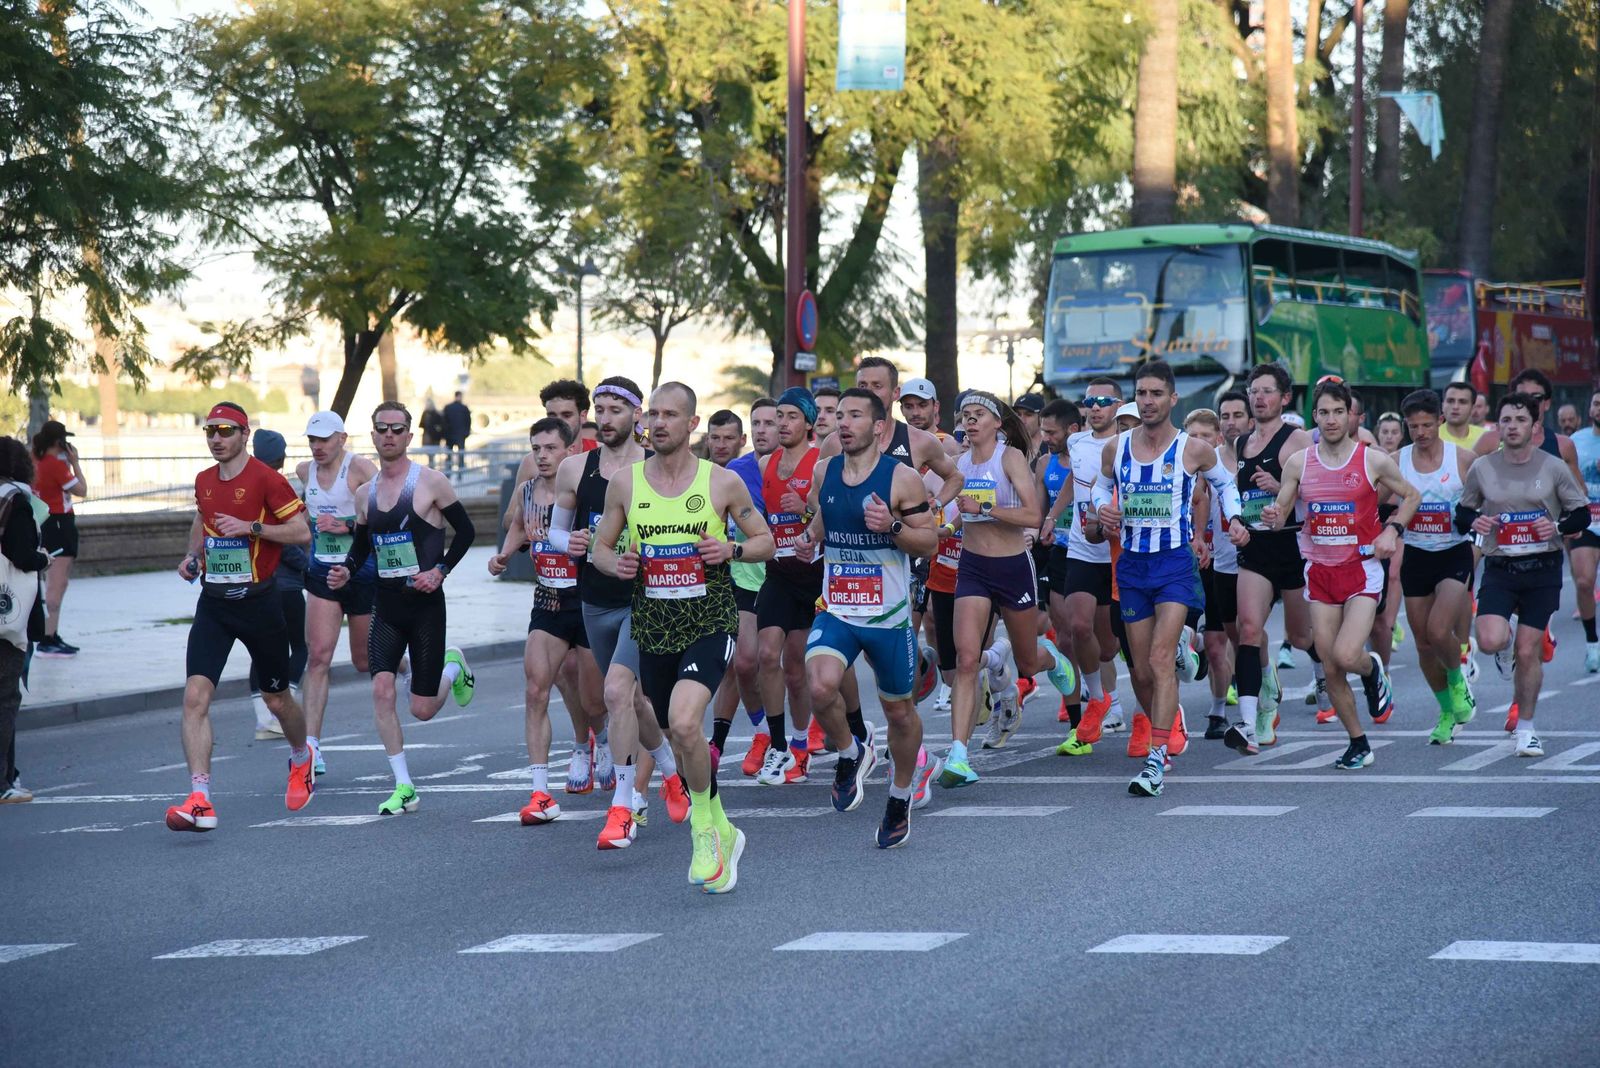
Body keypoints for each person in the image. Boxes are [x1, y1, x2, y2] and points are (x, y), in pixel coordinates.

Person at [589, 381, 775, 895]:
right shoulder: (626, 484)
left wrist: (730, 552)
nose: (659, 423)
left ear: (692, 425)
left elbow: (766, 542)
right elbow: (600, 549)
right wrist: (616, 562)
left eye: (671, 414)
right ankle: (723, 825)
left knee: (685, 720)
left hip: (709, 621)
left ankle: (702, 833)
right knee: (679, 736)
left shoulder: (721, 483)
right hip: (653, 624)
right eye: (654, 414)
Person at [491, 417, 655, 843]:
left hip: (586, 597)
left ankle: (605, 741)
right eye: (535, 449)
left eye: (549, 448)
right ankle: (540, 793)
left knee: (596, 699)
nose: (541, 456)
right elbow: (516, 525)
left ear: (569, 453)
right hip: (548, 599)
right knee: (534, 689)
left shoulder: (585, 484)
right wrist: (504, 556)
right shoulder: (529, 492)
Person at [1094, 360, 1248, 797]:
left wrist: (1234, 518)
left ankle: (1155, 760)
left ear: (1172, 399)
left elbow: (1225, 485)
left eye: (1156, 394)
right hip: (1132, 565)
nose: (1147, 401)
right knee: (1141, 668)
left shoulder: (1191, 449)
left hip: (1175, 563)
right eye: (1141, 393)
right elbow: (1098, 488)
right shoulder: (1117, 448)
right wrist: (1102, 508)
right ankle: (1169, 710)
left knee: (1160, 661)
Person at [796, 387, 938, 846]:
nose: (843, 423)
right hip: (838, 607)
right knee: (818, 685)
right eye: (839, 415)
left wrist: (892, 527)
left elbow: (929, 542)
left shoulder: (902, 479)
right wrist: (807, 539)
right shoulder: (824, 471)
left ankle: (899, 795)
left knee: (900, 712)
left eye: (855, 415)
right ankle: (851, 751)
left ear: (878, 426)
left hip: (889, 615)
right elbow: (822, 521)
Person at [166, 403, 315, 832]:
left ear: (244, 435)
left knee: (276, 699)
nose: (216, 438)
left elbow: (302, 533)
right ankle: (200, 798)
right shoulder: (204, 481)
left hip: (259, 603)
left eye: (225, 431)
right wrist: (193, 555)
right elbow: (202, 518)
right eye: (210, 430)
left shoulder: (268, 479)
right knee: (195, 697)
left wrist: (252, 528)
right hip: (214, 604)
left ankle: (301, 757)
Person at [326, 402, 478, 815]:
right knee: (381, 687)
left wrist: (441, 570)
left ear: (410, 436)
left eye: (397, 429)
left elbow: (466, 531)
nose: (389, 435)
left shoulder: (430, 482)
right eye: (382, 429)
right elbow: (361, 545)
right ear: (372, 436)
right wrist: (346, 570)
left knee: (422, 709)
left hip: (426, 604)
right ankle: (404, 785)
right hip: (387, 604)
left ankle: (453, 666)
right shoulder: (364, 494)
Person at [552, 376, 687, 837]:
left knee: (614, 694)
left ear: (637, 415)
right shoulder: (575, 469)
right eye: (599, 409)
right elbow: (556, 531)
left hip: (644, 601)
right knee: (631, 699)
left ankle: (624, 804)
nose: (604, 419)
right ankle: (672, 775)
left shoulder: (655, 468)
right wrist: (565, 541)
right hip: (594, 600)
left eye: (615, 410)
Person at [1262, 379, 1418, 771]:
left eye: (1338, 412)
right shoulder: (1299, 462)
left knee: (1348, 655)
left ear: (1350, 415)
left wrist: (1391, 530)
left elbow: (1411, 496)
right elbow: (1282, 504)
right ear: (1315, 417)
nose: (1331, 420)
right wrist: (1274, 515)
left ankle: (1372, 669)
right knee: (1330, 665)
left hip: (1361, 570)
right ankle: (1358, 742)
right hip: (1319, 571)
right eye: (1324, 413)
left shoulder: (1372, 460)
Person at [942, 390, 1075, 786]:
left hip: (1013, 566)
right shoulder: (959, 464)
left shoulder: (1010, 458)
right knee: (967, 659)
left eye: (978, 414)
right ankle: (959, 756)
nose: (970, 420)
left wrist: (984, 509)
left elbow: (1033, 514)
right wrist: (947, 526)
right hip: (972, 568)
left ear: (996, 422)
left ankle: (1052, 656)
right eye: (965, 414)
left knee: (1028, 662)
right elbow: (958, 514)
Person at [1459, 392, 1588, 756]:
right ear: (1497, 426)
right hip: (1500, 566)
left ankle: (1527, 728)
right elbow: (1462, 513)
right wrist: (1476, 520)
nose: (1512, 426)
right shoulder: (1483, 467)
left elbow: (1580, 513)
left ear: (1534, 428)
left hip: (1542, 569)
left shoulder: (1553, 466)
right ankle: (1505, 641)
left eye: (1519, 420)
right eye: (1506, 420)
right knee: (1488, 640)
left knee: (1529, 651)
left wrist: (1558, 527)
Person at [1230, 364, 1317, 751]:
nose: (1258, 398)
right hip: (1256, 547)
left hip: (1294, 546)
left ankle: (1323, 670)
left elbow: (1317, 494)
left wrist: (1282, 486)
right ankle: (1250, 721)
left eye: (1267, 391)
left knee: (1300, 637)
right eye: (1253, 391)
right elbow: (1236, 495)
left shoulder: (1296, 440)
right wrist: (1235, 521)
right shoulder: (1240, 444)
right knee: (1247, 629)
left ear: (1284, 398)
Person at [294, 412, 378, 773]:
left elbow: (386, 514)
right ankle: (312, 747)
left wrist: (343, 525)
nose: (317, 447)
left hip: (359, 572)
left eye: (324, 440)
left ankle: (410, 669)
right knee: (318, 658)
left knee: (365, 661)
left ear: (342, 438)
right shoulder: (303, 471)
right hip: (323, 572)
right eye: (312, 440)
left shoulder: (361, 470)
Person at [1046, 377, 1125, 750]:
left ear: (1118, 406)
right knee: (1078, 628)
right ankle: (1097, 698)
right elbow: (1072, 483)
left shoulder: (1126, 445)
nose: (1095, 407)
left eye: (1104, 401)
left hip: (1116, 552)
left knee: (1108, 647)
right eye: (1089, 402)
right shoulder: (1076, 442)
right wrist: (1051, 516)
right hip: (1080, 548)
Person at [1395, 390, 1478, 743]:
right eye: (1413, 426)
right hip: (1416, 555)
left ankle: (1458, 682)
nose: (1421, 432)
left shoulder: (1462, 459)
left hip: (1454, 553)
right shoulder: (1396, 460)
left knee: (1439, 630)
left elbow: (1488, 498)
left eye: (1427, 425)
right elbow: (1374, 499)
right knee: (1423, 644)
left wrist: (1476, 522)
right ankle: (1446, 710)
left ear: (1440, 420)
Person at [752, 387, 826, 785]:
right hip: (778, 572)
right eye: (778, 416)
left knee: (797, 669)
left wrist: (808, 510)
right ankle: (777, 746)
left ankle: (800, 745)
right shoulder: (767, 462)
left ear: (809, 423)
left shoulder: (820, 463)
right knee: (766, 655)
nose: (782, 423)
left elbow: (835, 512)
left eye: (791, 416)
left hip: (813, 574)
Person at [704, 409, 767, 773]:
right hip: (729, 580)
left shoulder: (748, 473)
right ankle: (723, 743)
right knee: (736, 664)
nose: (721, 444)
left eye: (729, 438)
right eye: (716, 437)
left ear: (740, 441)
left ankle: (801, 733)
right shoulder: (698, 477)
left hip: (766, 575)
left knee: (776, 663)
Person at [1184, 409, 1243, 741]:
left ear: (1217, 440)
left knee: (1220, 644)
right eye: (1192, 435)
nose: (1198, 442)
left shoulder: (1220, 472)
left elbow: (1207, 495)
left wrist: (1201, 536)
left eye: (1205, 436)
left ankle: (1218, 709)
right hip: (1184, 565)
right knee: (1186, 637)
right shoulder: (1177, 471)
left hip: (1219, 562)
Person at [248, 430, 309, 743]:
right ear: (281, 458)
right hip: (284, 586)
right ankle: (281, 711)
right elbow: (286, 539)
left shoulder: (245, 487)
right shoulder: (276, 488)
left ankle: (263, 720)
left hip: (254, 585)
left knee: (261, 653)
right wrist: (307, 564)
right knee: (300, 646)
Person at [0, 438, 48, 804]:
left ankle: (9, 776)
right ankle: (4, 780)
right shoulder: (16, 501)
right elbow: (22, 555)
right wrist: (43, 558)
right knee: (6, 697)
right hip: (7, 617)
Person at [30, 420, 85, 657]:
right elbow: (81, 489)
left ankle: (48, 633)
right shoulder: (55, 465)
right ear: (58, 442)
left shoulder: (34, 459)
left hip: (42, 522)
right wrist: (75, 463)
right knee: (58, 582)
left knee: (50, 581)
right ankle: (48, 637)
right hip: (60, 522)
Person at [1570, 389, 1600, 672]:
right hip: (1588, 520)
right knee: (1582, 582)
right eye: (1596, 403)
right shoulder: (1576, 441)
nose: (1599, 409)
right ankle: (1593, 644)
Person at [1439, 382, 1488, 451]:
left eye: (1462, 402)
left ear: (1472, 408)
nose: (1455, 407)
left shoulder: (1484, 437)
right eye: (1450, 401)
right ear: (1443, 406)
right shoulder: (1432, 437)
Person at [442, 390, 472, 478]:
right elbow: (468, 421)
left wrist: (445, 434)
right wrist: (466, 433)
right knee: (461, 455)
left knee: (449, 456)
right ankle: (460, 475)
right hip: (460, 436)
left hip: (450, 436)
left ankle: (449, 474)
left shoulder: (448, 407)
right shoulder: (464, 408)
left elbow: (444, 422)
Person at [1014, 393, 1046, 461]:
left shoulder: (1051, 448)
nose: (1022, 420)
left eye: (1028, 415)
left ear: (1041, 417)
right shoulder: (1011, 447)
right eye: (1018, 414)